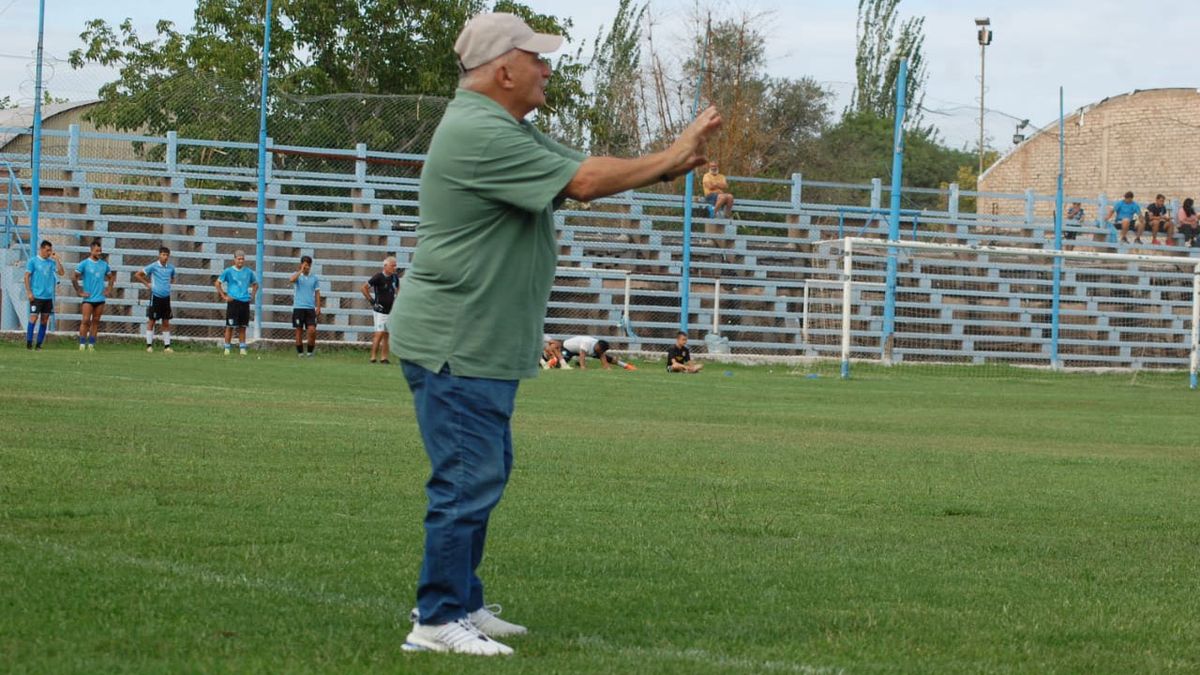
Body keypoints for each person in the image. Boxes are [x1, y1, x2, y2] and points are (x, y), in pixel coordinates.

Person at [389, 12, 721, 656]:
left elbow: (588, 172)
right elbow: (587, 182)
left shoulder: (506, 127)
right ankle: (435, 620)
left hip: (478, 338)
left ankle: (463, 602)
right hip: (458, 337)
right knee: (466, 476)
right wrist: (673, 154)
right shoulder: (480, 131)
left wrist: (668, 164)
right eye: (537, 58)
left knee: (484, 470)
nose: (547, 68)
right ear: (502, 68)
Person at [71, 239, 116, 351]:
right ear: (91, 251)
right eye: (97, 250)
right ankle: (82, 344)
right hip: (88, 298)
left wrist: (109, 289)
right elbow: (74, 277)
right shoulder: (84, 263)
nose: (99, 252)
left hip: (100, 298)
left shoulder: (104, 265)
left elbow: (111, 277)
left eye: (100, 250)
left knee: (96, 321)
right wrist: (79, 291)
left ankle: (91, 345)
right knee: (85, 320)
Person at [214, 250, 257, 356]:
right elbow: (217, 283)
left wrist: (252, 296)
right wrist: (224, 296)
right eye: (238, 259)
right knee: (230, 325)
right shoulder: (228, 271)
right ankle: (227, 348)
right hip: (233, 302)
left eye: (242, 259)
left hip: (244, 302)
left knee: (243, 326)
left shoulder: (248, 272)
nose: (241, 261)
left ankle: (242, 348)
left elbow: (255, 284)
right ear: (234, 259)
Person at [23, 239, 65, 350]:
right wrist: (29, 292)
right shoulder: (33, 261)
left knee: (44, 320)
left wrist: (57, 260)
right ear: (41, 249)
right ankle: (29, 343)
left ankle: (39, 345)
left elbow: (61, 273)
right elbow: (26, 276)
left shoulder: (51, 262)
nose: (49, 252)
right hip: (36, 296)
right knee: (33, 318)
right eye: (47, 250)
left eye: (50, 250)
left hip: (47, 297)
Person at [134, 246, 176, 353]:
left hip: (166, 298)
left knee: (166, 321)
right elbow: (138, 275)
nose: (165, 257)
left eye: (167, 255)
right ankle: (149, 345)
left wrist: (166, 286)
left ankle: (167, 346)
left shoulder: (171, 268)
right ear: (159, 255)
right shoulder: (153, 266)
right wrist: (147, 284)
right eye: (163, 255)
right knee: (152, 320)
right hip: (156, 297)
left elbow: (172, 278)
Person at [361, 256, 400, 364]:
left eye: (395, 265)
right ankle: (373, 357)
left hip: (391, 310)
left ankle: (384, 358)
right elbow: (363, 288)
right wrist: (372, 301)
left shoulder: (395, 278)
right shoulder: (378, 277)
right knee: (379, 333)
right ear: (385, 266)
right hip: (380, 310)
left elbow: (398, 290)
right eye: (393, 265)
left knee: (387, 334)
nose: (395, 268)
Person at [290, 255, 321, 357]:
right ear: (301, 264)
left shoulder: (314, 278)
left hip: (310, 308)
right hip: (298, 307)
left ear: (310, 265)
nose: (306, 267)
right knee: (299, 330)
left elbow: (317, 293)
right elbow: (291, 280)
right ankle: (300, 353)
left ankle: (310, 352)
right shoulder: (298, 276)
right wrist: (300, 271)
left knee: (312, 330)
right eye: (304, 264)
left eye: (308, 265)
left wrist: (318, 307)